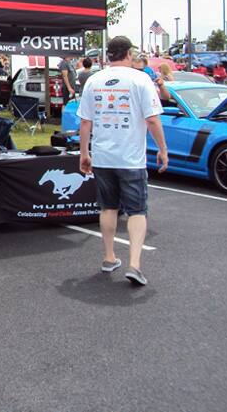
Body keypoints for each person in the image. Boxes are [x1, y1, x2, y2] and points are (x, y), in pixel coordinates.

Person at [78, 36, 169, 286]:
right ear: (128, 54)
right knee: (137, 210)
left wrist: (84, 153)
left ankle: (109, 257)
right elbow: (152, 119)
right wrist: (163, 149)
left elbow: (85, 122)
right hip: (131, 159)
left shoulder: (94, 80)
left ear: (109, 55)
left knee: (108, 207)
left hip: (104, 157)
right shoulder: (140, 79)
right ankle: (135, 264)